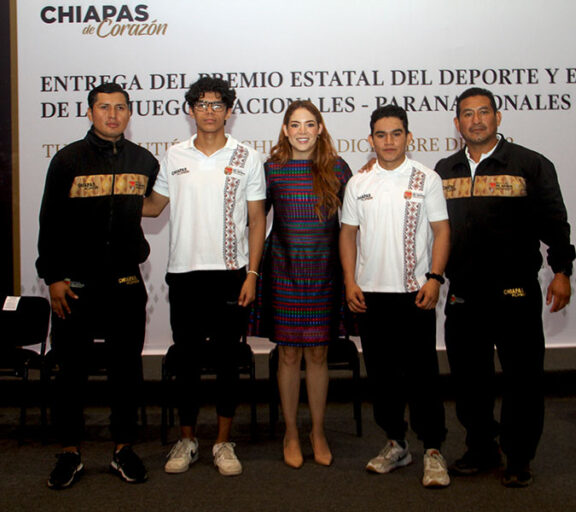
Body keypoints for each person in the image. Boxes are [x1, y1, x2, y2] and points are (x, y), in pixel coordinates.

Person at [435, 87, 575, 487]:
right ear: (457, 122)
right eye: (467, 113)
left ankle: (518, 457)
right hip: (463, 294)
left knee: (522, 378)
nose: (475, 120)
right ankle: (481, 448)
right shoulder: (444, 171)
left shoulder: (530, 164)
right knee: (469, 379)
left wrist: (562, 271)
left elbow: (555, 223)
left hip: (515, 292)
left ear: (498, 118)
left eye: (483, 112)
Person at [142, 77, 266, 477]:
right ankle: (188, 439)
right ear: (190, 110)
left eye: (217, 104)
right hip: (184, 274)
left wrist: (252, 273)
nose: (209, 111)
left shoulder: (247, 156)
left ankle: (223, 442)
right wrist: (113, 197)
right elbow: (154, 206)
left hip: (232, 274)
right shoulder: (173, 155)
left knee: (230, 361)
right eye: (201, 103)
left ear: (229, 111)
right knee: (187, 361)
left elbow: (257, 218)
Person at [37, 82, 158, 489]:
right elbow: (49, 220)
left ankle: (123, 449)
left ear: (129, 114)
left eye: (120, 108)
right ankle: (69, 453)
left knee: (126, 371)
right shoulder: (68, 159)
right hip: (75, 285)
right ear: (89, 113)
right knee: (71, 372)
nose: (112, 114)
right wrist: (53, 276)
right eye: (104, 107)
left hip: (125, 283)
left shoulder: (144, 160)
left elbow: (157, 202)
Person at [339, 105, 451, 488]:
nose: (389, 141)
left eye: (396, 133)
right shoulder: (358, 183)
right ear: (370, 140)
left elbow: (442, 231)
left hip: (415, 294)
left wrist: (434, 278)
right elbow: (347, 235)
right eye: (381, 135)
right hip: (370, 297)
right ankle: (396, 444)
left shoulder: (427, 179)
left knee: (423, 375)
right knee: (382, 377)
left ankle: (433, 449)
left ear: (408, 136)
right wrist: (350, 282)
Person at [253, 100, 352, 468]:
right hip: (283, 270)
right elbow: (255, 219)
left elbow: (355, 223)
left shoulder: (338, 168)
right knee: (289, 354)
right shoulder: (272, 170)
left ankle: (318, 431)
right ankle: (292, 432)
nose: (302, 132)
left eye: (310, 124)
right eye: (295, 125)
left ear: (320, 128)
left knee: (318, 354)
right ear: (285, 130)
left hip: (325, 272)